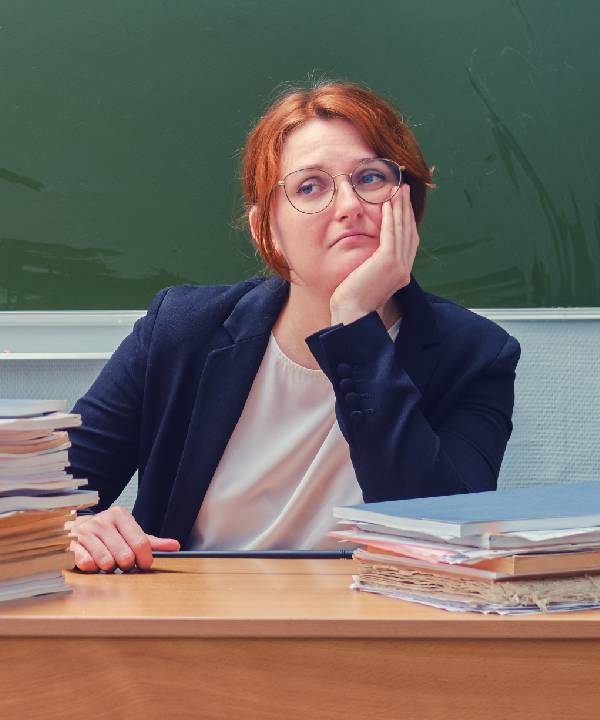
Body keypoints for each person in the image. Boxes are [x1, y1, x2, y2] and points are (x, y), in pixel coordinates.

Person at [67, 80, 521, 572]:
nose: (349, 204)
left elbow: (438, 537)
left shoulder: (476, 355)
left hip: (376, 632)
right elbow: (40, 503)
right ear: (268, 232)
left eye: (371, 178)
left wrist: (354, 324)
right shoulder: (180, 330)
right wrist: (73, 529)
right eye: (310, 186)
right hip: (192, 627)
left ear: (406, 203)